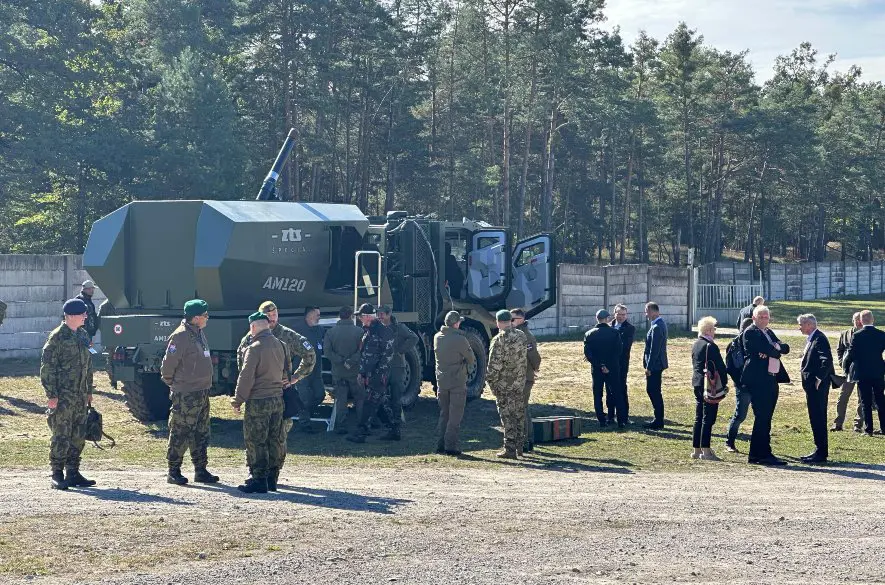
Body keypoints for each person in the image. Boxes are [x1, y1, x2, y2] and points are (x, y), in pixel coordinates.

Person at [237, 301, 315, 468]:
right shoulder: (249, 339)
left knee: (278, 436)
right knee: (256, 435)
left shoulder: (287, 336)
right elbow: (241, 363)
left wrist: (295, 377)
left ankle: (274, 472)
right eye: (268, 316)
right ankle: (256, 470)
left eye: (274, 315)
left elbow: (309, 354)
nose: (272, 319)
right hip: (258, 394)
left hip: (281, 393)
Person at [160, 299, 219, 486]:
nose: (207, 318)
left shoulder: (198, 333)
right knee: (181, 431)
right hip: (186, 393)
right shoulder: (180, 336)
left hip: (201, 391)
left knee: (201, 432)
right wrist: (177, 384)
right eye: (205, 315)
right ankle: (173, 470)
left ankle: (200, 470)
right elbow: (168, 366)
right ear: (195, 318)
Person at [40, 299, 96, 490]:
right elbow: (48, 368)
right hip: (63, 396)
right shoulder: (57, 337)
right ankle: (57, 473)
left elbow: (88, 365)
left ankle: (73, 472)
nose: (86, 316)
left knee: (78, 434)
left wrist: (89, 390)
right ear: (71, 316)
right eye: (83, 314)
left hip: (80, 396)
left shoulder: (82, 335)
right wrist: (52, 394)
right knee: (61, 434)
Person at [231, 312, 289, 494]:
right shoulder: (281, 345)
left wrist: (238, 399)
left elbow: (246, 376)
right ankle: (272, 478)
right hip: (277, 399)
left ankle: (258, 479)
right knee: (274, 439)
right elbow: (286, 372)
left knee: (256, 440)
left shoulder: (254, 348)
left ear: (253, 327)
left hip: (259, 400)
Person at [741, 305, 790, 465]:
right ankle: (758, 454)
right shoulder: (750, 332)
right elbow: (772, 351)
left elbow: (784, 348)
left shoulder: (768, 332)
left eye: (766, 317)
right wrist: (773, 349)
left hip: (771, 378)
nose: (764, 319)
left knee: (766, 418)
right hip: (758, 380)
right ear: (754, 318)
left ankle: (762, 452)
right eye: (761, 316)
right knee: (761, 417)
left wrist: (773, 349)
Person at [347, 304, 396, 444]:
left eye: (361, 316)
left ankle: (361, 432)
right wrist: (362, 373)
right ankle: (394, 429)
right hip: (369, 374)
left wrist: (376, 374)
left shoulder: (382, 331)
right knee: (379, 402)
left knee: (369, 403)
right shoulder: (368, 332)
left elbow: (387, 355)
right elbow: (366, 356)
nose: (360, 319)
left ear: (368, 316)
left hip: (377, 375)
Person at [486, 310, 528, 459]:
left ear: (498, 322)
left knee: (507, 416)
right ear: (510, 321)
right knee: (519, 414)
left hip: (504, 384)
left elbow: (493, 366)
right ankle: (520, 447)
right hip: (519, 382)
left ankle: (509, 449)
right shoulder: (521, 336)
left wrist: (492, 384)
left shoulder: (499, 340)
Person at [433, 311, 476, 455]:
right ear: (456, 323)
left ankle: (440, 444)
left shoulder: (437, 337)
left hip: (442, 381)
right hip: (457, 381)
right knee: (455, 416)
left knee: (444, 414)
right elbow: (471, 359)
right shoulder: (460, 340)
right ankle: (451, 446)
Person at [378, 305, 419, 439]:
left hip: (396, 367)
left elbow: (413, 338)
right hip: (383, 367)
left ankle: (396, 428)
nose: (380, 316)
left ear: (389, 314)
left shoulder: (399, 327)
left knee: (396, 398)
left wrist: (401, 350)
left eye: (382, 314)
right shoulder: (378, 328)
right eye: (379, 314)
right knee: (379, 397)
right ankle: (385, 423)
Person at [797, 314, 834, 463]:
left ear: (809, 325)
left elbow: (826, 360)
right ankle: (819, 450)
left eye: (801, 324)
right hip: (811, 386)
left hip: (817, 386)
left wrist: (819, 378)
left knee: (818, 417)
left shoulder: (819, 338)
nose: (799, 327)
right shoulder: (813, 338)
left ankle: (821, 453)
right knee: (815, 417)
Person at [324, 306, 366, 434]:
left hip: (338, 371)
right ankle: (361, 423)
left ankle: (341, 425)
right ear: (351, 316)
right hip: (355, 371)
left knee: (341, 399)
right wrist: (350, 361)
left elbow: (327, 351)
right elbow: (362, 351)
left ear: (340, 316)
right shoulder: (359, 332)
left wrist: (340, 360)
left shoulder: (331, 332)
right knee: (360, 397)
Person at [842, 310, 885, 436]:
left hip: (863, 372)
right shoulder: (881, 334)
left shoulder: (858, 335)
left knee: (865, 401)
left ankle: (868, 429)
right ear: (873, 320)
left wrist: (846, 367)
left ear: (861, 321)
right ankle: (884, 427)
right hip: (878, 371)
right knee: (880, 399)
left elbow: (851, 353)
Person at [690, 317, 727, 461]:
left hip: (698, 383)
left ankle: (696, 450)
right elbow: (720, 367)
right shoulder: (711, 346)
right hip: (709, 386)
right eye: (714, 329)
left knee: (699, 417)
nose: (715, 332)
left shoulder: (696, 344)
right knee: (708, 418)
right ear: (709, 330)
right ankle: (706, 450)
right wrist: (723, 384)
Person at [583, 309, 625, 427]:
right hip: (612, 367)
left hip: (597, 369)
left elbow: (588, 354)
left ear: (597, 319)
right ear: (607, 319)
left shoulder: (589, 334)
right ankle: (621, 420)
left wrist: (600, 365)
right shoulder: (614, 333)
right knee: (616, 392)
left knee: (598, 393)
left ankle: (601, 419)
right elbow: (618, 351)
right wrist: (607, 365)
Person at [511, 308, 541, 451]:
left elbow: (534, 356)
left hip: (525, 377)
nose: (511, 322)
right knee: (522, 408)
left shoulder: (525, 335)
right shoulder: (516, 333)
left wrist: (535, 368)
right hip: (519, 377)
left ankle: (527, 440)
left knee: (521, 408)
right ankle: (526, 439)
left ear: (521, 319)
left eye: (513, 319)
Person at [293, 306, 325, 432]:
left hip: (316, 371)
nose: (319, 317)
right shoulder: (297, 330)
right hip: (302, 371)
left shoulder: (320, 330)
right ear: (309, 315)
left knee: (320, 394)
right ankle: (304, 423)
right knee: (304, 397)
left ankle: (304, 411)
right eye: (317, 315)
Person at [724, 318, 753, 452]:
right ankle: (729, 442)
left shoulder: (756, 342)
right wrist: (741, 382)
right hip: (743, 386)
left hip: (757, 384)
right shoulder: (734, 344)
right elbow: (730, 367)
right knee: (740, 415)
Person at [832, 312, 864, 432]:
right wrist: (842, 363)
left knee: (862, 398)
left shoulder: (866, 334)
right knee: (843, 397)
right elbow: (840, 350)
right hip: (849, 372)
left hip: (863, 371)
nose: (858, 322)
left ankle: (858, 424)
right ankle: (838, 423)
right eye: (856, 320)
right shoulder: (845, 334)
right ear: (853, 321)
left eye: (860, 320)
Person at [643, 302, 668, 429]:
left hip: (655, 365)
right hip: (657, 364)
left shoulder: (657, 326)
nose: (646, 314)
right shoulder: (658, 324)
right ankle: (658, 419)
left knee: (653, 391)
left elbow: (654, 350)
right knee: (654, 390)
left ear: (653, 311)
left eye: (647, 311)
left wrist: (649, 367)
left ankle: (658, 420)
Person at [610, 304, 635, 424]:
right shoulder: (609, 326)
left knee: (621, 389)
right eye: (618, 314)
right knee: (609, 389)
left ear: (626, 315)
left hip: (621, 364)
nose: (621, 317)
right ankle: (610, 416)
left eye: (623, 315)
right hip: (609, 364)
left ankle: (624, 416)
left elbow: (625, 346)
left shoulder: (629, 328)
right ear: (614, 314)